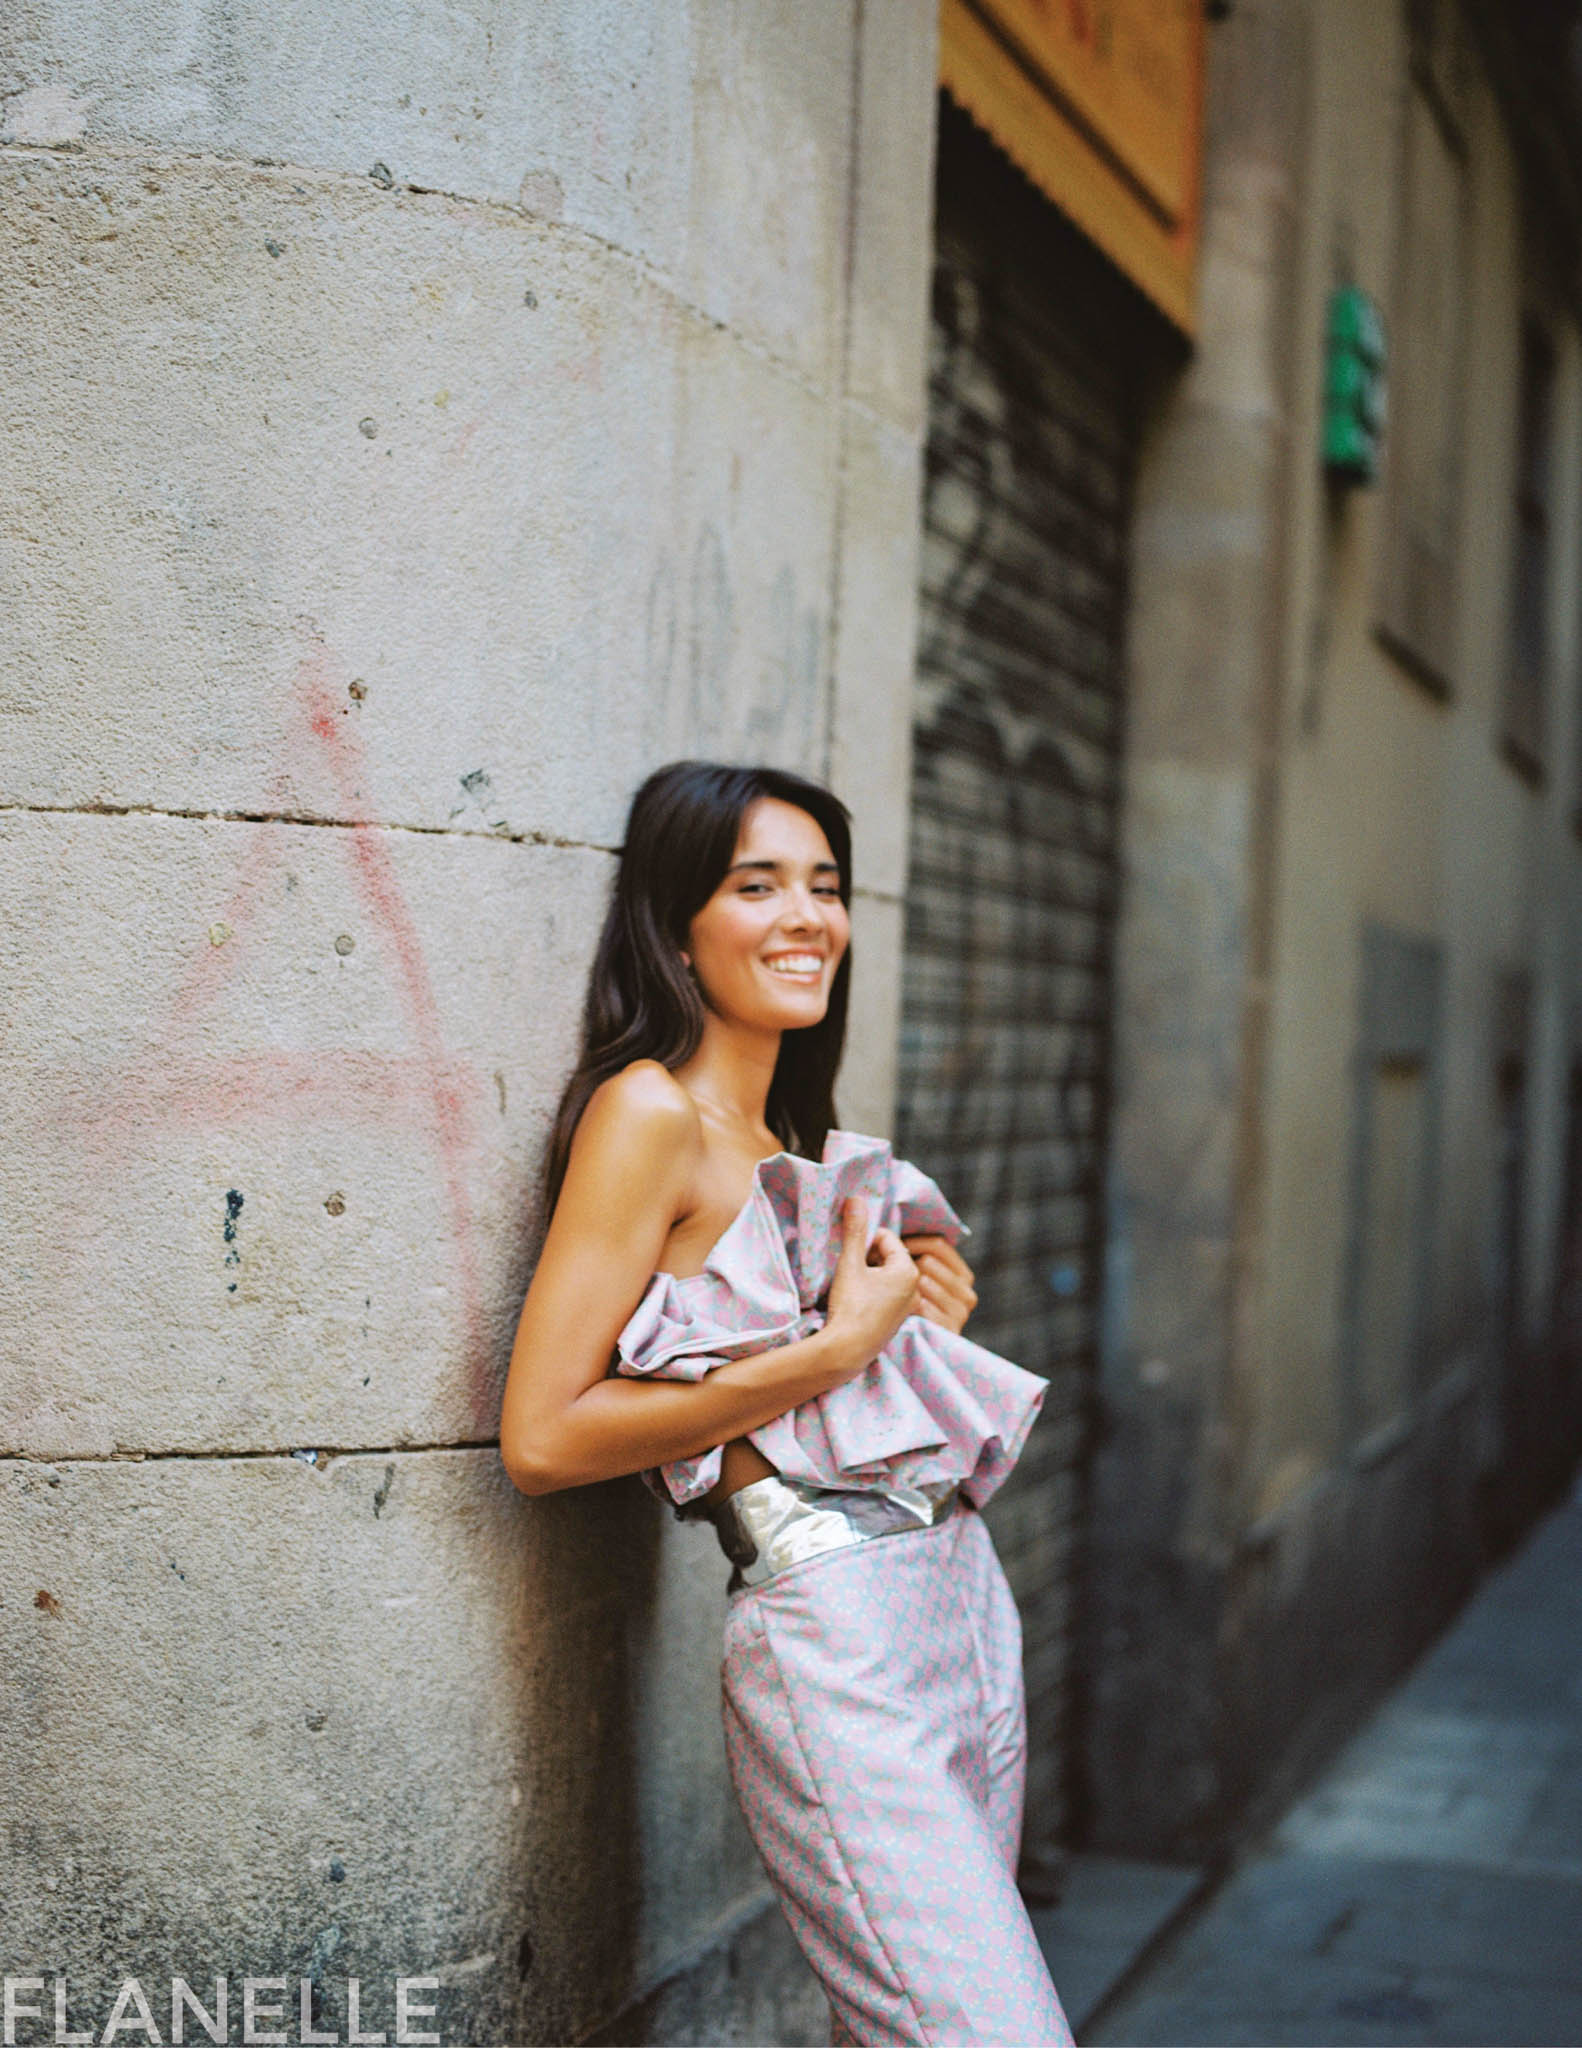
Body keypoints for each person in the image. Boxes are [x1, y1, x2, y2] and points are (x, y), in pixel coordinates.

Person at [499, 760, 1072, 2048]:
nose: (807, 916)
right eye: (757, 886)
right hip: (834, 1627)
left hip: (960, 1601)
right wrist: (834, 1350)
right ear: (676, 927)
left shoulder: (795, 1142)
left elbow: (823, 1399)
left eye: (826, 885)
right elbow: (542, 1436)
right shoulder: (648, 1115)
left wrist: (905, 1339)